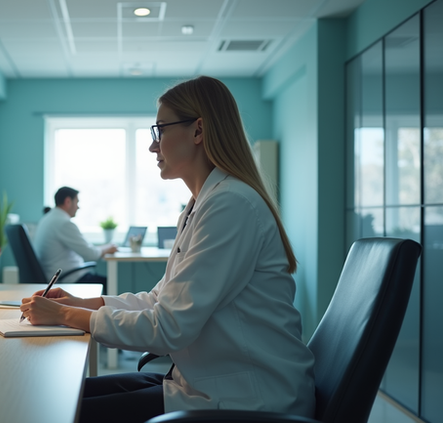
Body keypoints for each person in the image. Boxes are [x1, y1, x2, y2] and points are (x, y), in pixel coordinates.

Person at [20, 76, 315, 423]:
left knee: (55, 411)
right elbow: (159, 301)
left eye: (159, 130)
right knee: (60, 399)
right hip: (206, 383)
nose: (152, 146)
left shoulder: (230, 205)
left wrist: (66, 317)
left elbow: (168, 328)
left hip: (248, 400)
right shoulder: (202, 204)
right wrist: (77, 304)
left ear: (198, 131)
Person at [33, 187, 118, 289]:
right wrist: (108, 248)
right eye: (77, 202)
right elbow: (91, 255)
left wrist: (104, 247)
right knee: (114, 283)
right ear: (68, 201)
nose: (78, 207)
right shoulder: (63, 223)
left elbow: (88, 249)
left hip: (58, 276)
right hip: (69, 279)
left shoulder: (48, 219)